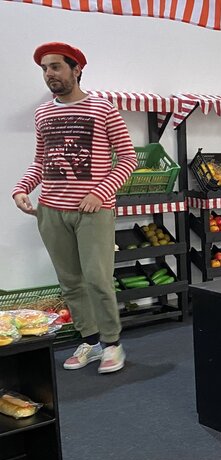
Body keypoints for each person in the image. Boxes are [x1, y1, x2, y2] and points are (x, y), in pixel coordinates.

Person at [12, 42, 138, 374]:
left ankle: (112, 345)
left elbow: (128, 159)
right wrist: (22, 188)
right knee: (70, 282)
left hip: (93, 212)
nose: (49, 74)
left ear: (76, 69)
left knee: (98, 279)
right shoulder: (43, 113)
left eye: (55, 66)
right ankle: (91, 342)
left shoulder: (103, 109)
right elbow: (41, 162)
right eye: (44, 69)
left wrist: (100, 192)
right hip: (51, 211)